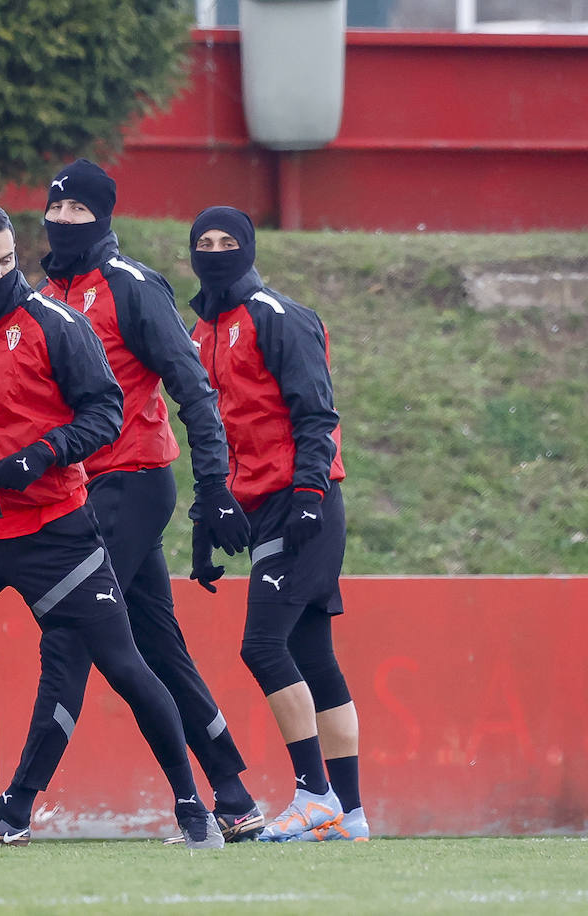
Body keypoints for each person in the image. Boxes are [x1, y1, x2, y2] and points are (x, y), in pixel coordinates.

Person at [0, 158, 261, 844]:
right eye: (53, 213)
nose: (62, 223)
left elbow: (193, 389)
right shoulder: (28, 297)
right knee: (152, 645)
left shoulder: (134, 288)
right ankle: (232, 794)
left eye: (78, 214)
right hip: (71, 488)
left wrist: (213, 489)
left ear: (105, 218)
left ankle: (15, 808)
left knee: (71, 641)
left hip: (129, 481)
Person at [185, 206, 367, 842]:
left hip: (300, 502)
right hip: (258, 503)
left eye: (226, 242)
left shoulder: (278, 316)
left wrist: (311, 494)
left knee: (262, 647)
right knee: (314, 656)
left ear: (250, 248)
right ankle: (349, 814)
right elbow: (222, 433)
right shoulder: (205, 327)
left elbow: (316, 413)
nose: (214, 251)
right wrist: (207, 522)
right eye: (203, 243)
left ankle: (314, 793)